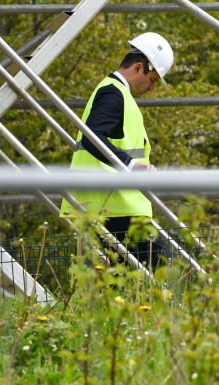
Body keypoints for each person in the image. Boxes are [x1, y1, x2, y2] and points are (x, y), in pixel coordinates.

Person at [60, 32, 174, 267]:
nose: (152, 87)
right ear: (138, 68)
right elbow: (92, 138)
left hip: (113, 205)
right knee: (160, 269)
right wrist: (131, 165)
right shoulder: (113, 93)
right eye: (152, 79)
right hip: (115, 207)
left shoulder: (116, 93)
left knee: (121, 282)